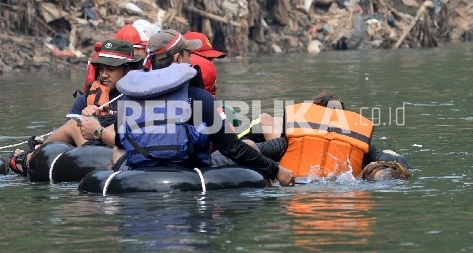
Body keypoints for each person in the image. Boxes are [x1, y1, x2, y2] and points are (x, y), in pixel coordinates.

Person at [77, 29, 295, 186]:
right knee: (248, 145)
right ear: (177, 57)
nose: (191, 59)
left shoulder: (128, 98)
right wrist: (276, 170)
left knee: (117, 152)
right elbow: (233, 149)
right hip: (191, 171)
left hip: (140, 173)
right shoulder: (199, 98)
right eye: (188, 54)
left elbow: (122, 140)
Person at [8, 39, 136, 176]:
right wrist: (86, 117)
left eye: (111, 69)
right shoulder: (86, 99)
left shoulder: (136, 97)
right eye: (101, 69)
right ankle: (38, 151)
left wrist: (98, 126)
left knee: (74, 124)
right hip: (91, 149)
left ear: (127, 69)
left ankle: (30, 157)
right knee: (74, 123)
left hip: (114, 147)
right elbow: (64, 141)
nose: (104, 75)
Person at [252, 91, 410, 178]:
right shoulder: (360, 146)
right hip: (343, 191)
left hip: (298, 190)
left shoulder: (288, 142)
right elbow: (400, 162)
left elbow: (250, 149)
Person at [184, 31, 281, 142]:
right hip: (220, 144)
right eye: (207, 59)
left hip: (217, 137)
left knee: (275, 120)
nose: (211, 63)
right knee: (265, 120)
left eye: (210, 60)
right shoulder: (200, 77)